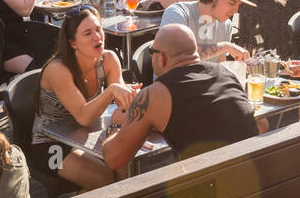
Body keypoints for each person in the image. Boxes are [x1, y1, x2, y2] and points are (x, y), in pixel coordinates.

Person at [103, 24, 258, 168]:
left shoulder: (155, 94)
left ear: (161, 57)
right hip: (257, 178)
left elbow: (114, 159)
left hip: (212, 189)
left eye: (152, 52)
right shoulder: (225, 73)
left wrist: (115, 125)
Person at [30, 8, 134, 191]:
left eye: (98, 29)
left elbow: (122, 105)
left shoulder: (109, 59)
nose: (97, 37)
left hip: (86, 136)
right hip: (49, 146)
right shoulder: (58, 69)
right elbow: (83, 116)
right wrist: (111, 91)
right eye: (88, 33)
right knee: (103, 178)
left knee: (122, 165)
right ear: (72, 43)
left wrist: (131, 96)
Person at [159, 0, 252, 62]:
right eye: (232, 3)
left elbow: (219, 65)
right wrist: (226, 47)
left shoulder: (226, 25)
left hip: (204, 77)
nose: (236, 11)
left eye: (239, 5)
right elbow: (179, 56)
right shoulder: (177, 13)